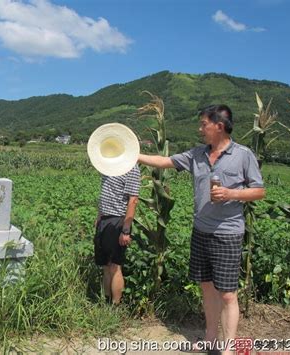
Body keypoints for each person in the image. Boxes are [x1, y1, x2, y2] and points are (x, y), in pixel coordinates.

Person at [138, 105, 265, 354]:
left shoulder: (243, 154)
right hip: (201, 231)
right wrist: (135, 156)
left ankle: (228, 349)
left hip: (228, 233)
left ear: (219, 125)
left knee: (228, 294)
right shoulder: (197, 154)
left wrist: (231, 193)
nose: (199, 129)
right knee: (206, 287)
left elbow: (259, 191)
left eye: (203, 124)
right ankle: (210, 339)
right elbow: (165, 161)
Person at [94, 165, 141, 305]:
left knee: (115, 265)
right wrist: (99, 216)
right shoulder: (108, 166)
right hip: (104, 220)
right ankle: (106, 303)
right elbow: (105, 193)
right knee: (105, 265)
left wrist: (125, 230)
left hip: (118, 220)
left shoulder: (131, 168)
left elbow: (133, 200)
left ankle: (115, 306)